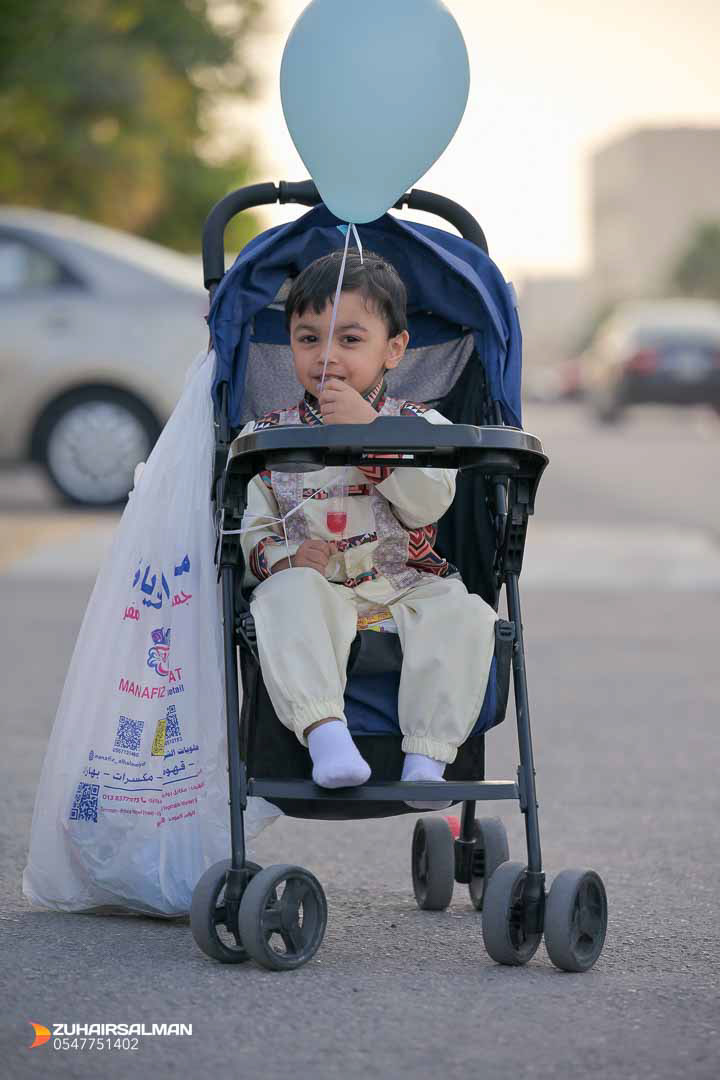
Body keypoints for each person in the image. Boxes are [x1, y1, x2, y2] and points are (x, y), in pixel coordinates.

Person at [238, 250, 498, 809]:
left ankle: (427, 757)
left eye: (350, 340)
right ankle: (326, 735)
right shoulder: (268, 435)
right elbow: (250, 529)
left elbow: (428, 504)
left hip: (404, 586)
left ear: (394, 349)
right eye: (308, 339)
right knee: (283, 596)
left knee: (466, 613)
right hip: (320, 588)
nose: (326, 356)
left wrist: (374, 433)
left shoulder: (422, 426)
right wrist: (283, 558)